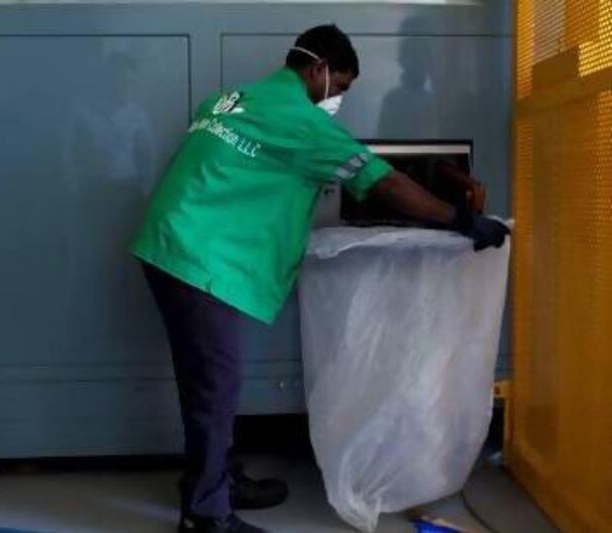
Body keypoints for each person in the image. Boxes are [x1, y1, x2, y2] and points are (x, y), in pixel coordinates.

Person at [130, 24, 509, 533]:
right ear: (318, 70)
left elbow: (242, 172)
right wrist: (460, 221)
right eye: (342, 86)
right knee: (215, 385)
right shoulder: (304, 123)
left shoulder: (231, 99)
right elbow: (385, 183)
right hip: (196, 255)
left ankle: (219, 478)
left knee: (207, 379)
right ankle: (205, 515)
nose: (339, 99)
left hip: (172, 243)